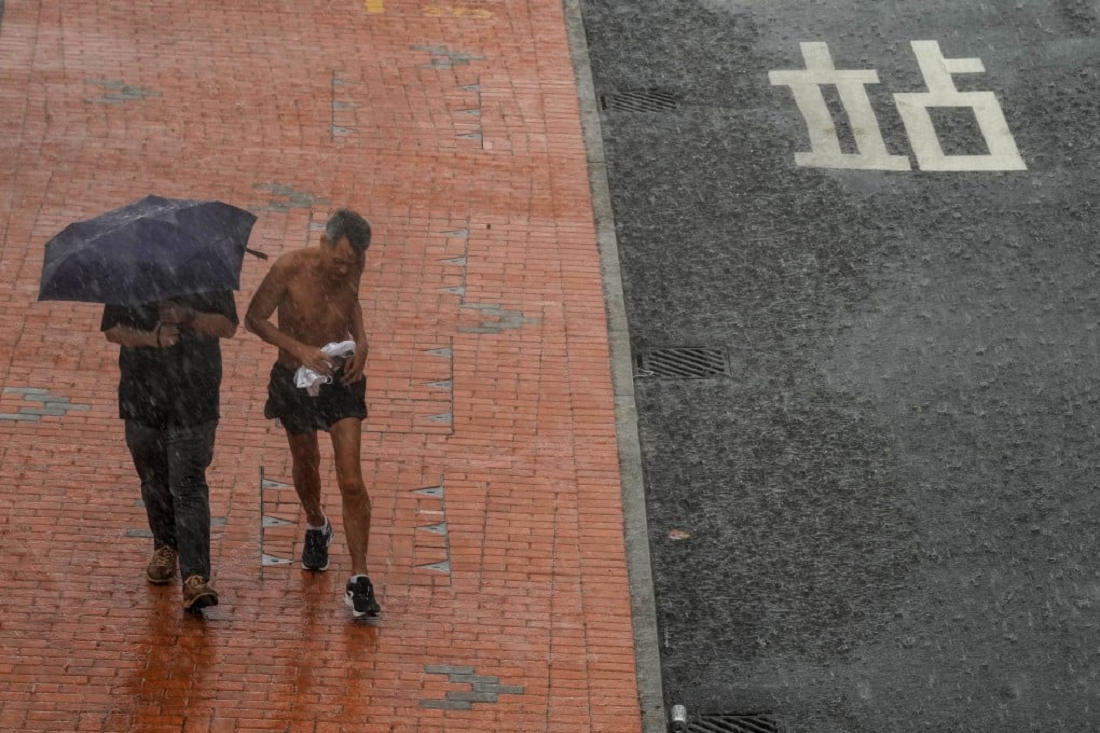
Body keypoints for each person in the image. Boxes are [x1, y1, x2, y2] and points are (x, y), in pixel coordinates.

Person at [245, 208, 379, 619]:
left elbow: (351, 301)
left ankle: (359, 578)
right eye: (338, 260)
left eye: (352, 263)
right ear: (323, 242)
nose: (344, 270)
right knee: (307, 462)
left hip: (340, 379)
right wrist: (298, 348)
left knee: (351, 478)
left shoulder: (352, 267)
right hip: (294, 379)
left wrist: (363, 341)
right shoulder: (290, 268)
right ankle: (316, 522)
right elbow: (254, 319)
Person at [102, 291, 238, 612]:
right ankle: (164, 544)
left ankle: (195, 576)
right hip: (141, 398)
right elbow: (112, 330)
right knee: (154, 480)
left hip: (196, 399)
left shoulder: (207, 274)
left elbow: (227, 325)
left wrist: (188, 316)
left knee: (188, 483)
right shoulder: (131, 273)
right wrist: (152, 338)